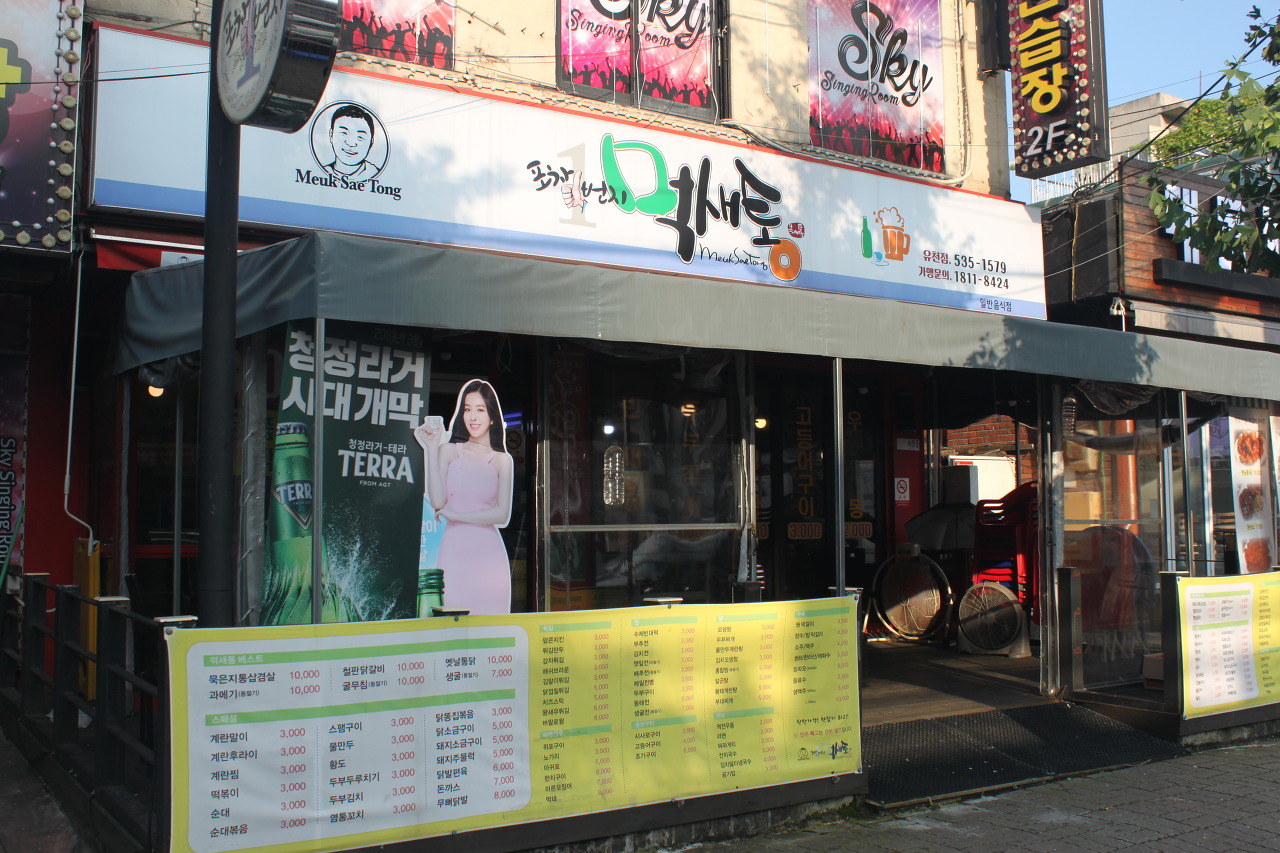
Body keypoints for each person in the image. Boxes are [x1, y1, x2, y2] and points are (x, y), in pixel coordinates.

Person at [414, 380, 513, 614]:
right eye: (468, 409)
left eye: (480, 409)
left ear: (492, 417)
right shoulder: (448, 451)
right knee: (451, 615)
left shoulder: (502, 460)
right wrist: (431, 447)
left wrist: (457, 515)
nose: (473, 417)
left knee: (491, 619)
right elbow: (438, 501)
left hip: (489, 554)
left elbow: (501, 514)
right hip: (454, 549)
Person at [322, 104, 381, 182]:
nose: (351, 143)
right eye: (343, 133)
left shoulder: (378, 175)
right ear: (331, 135)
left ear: (371, 142)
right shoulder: (317, 172)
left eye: (360, 137)